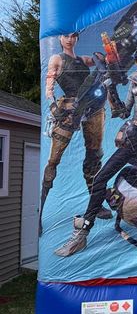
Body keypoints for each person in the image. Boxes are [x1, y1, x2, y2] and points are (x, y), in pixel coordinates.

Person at [55, 46, 137, 257]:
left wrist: (130, 125)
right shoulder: (135, 81)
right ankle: (83, 231)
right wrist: (111, 92)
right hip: (133, 138)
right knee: (100, 179)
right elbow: (123, 112)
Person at [40, 32, 111, 233]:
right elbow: (49, 87)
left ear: (77, 38)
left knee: (94, 155)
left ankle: (96, 205)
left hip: (92, 107)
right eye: (66, 36)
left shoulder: (83, 59)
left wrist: (106, 54)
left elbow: (103, 61)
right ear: (60, 39)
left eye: (73, 36)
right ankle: (40, 213)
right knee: (53, 160)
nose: (70, 39)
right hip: (69, 109)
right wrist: (53, 106)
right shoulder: (57, 59)